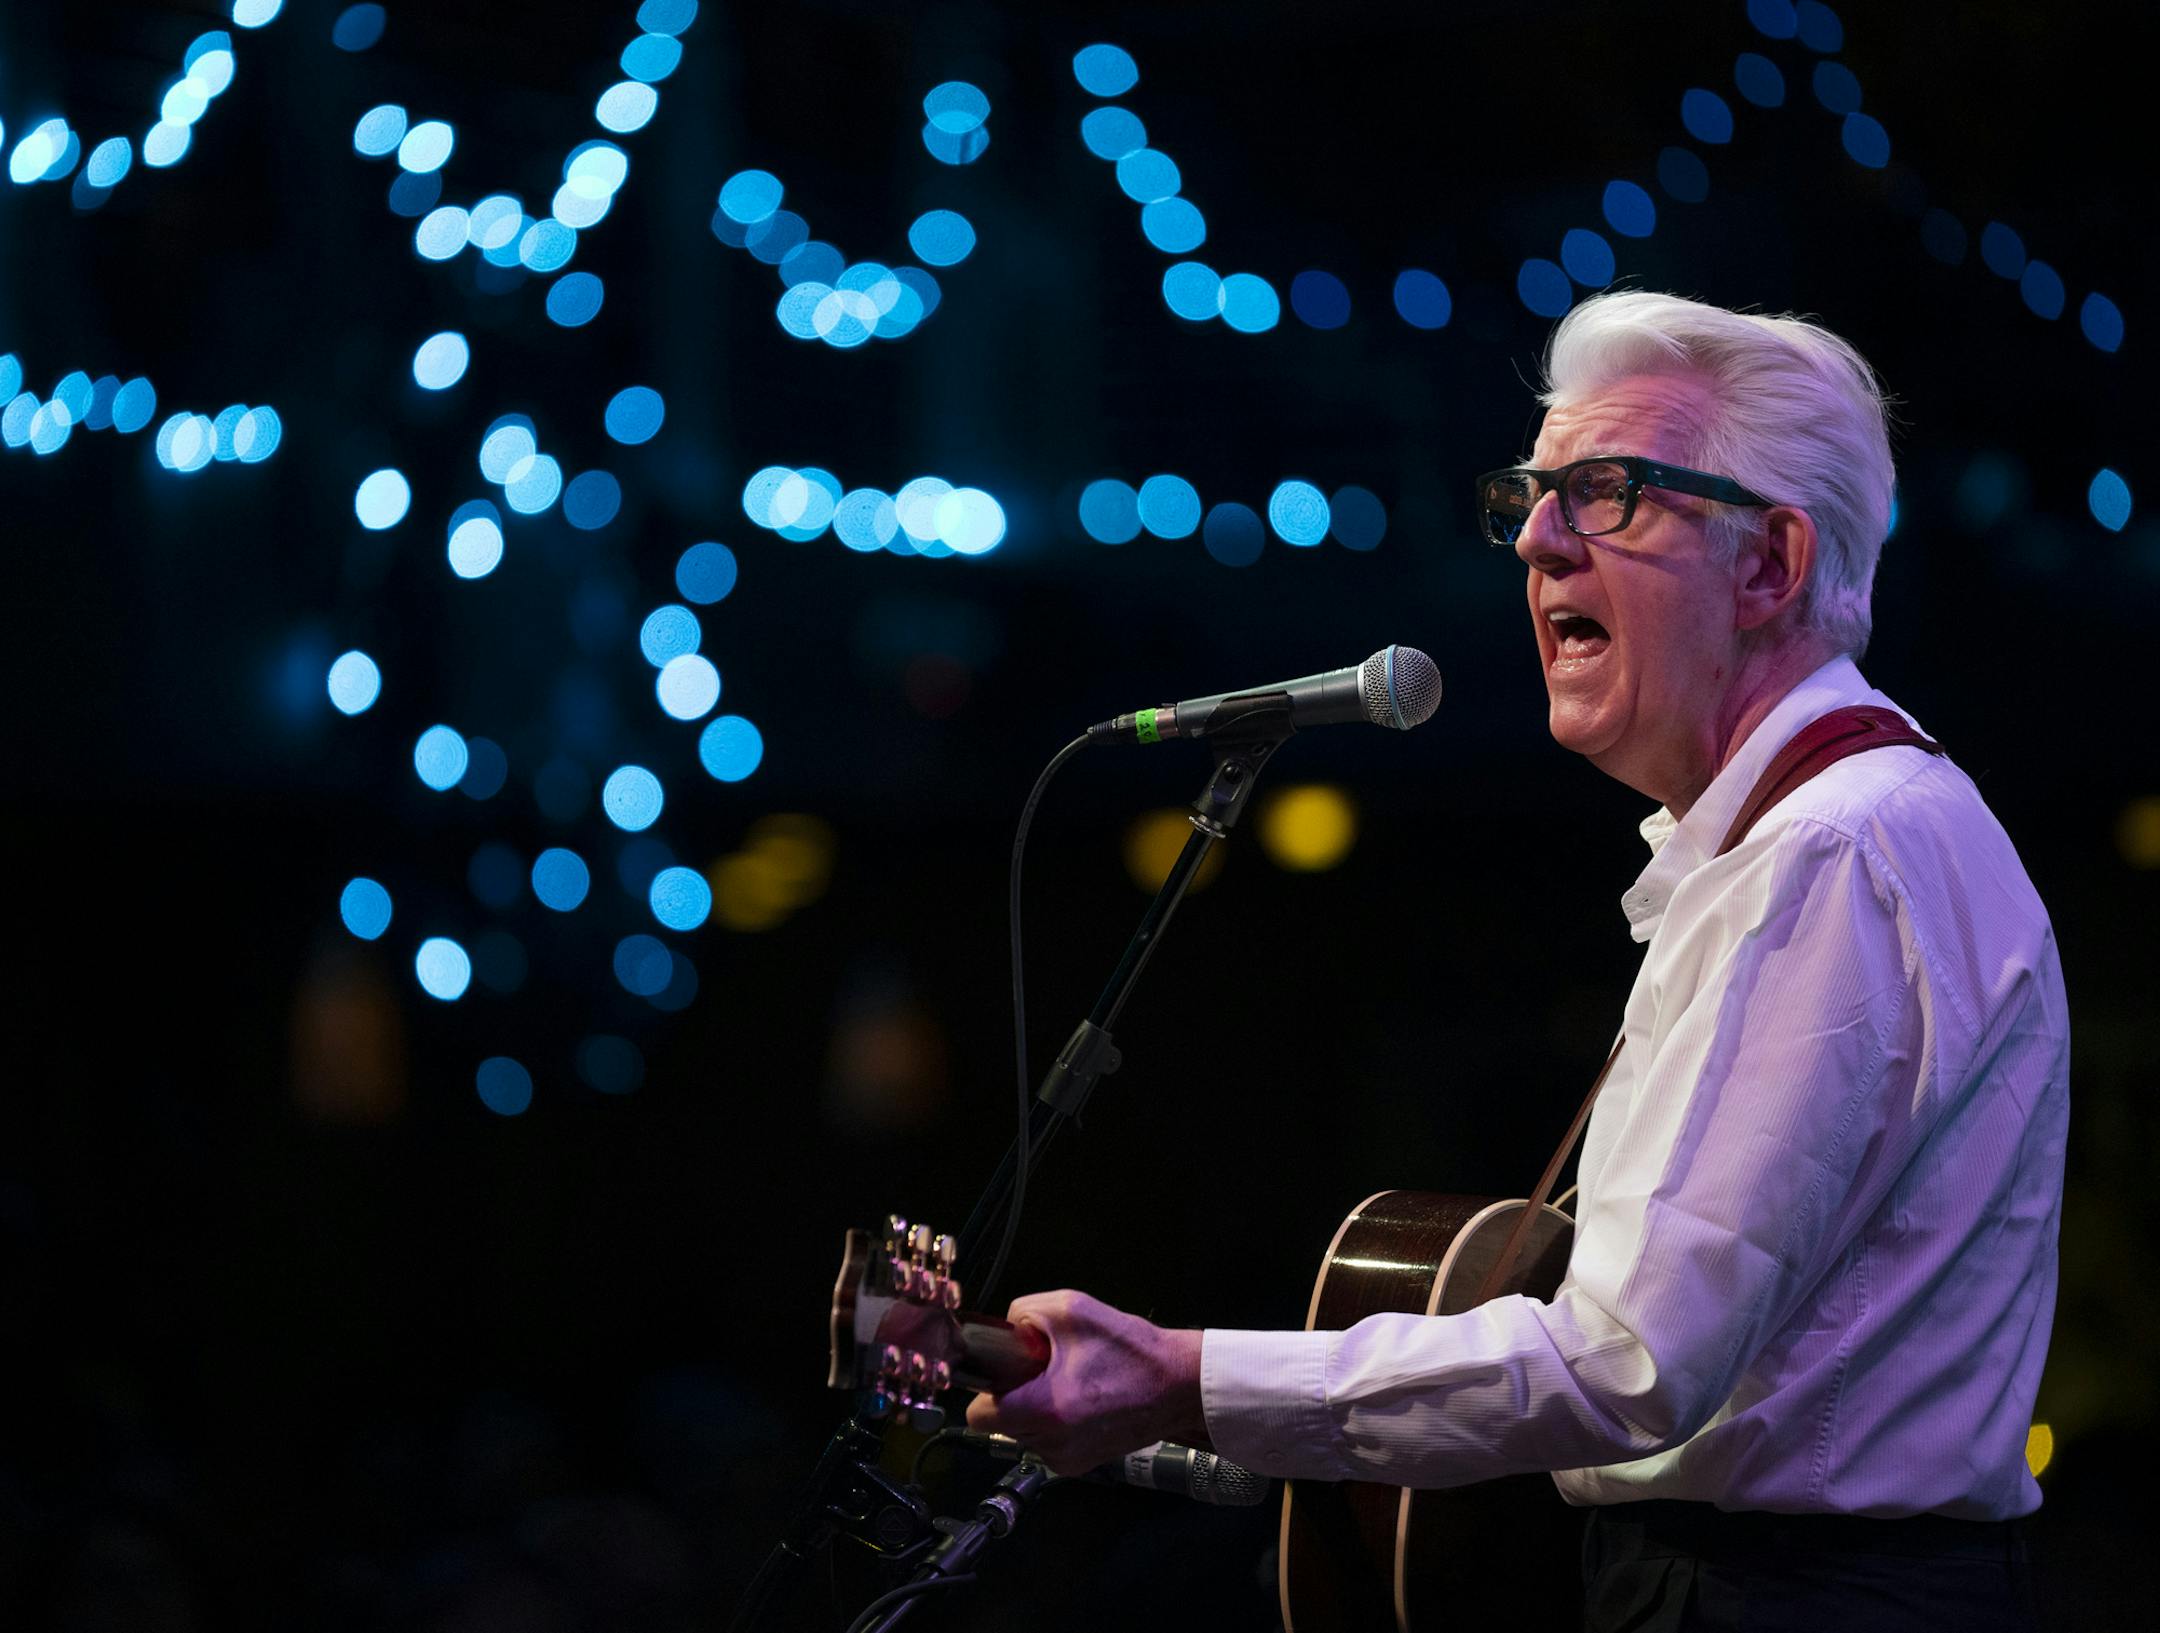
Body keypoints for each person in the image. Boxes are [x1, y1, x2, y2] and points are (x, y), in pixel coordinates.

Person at [964, 291, 2069, 1630]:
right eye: (1534, 498)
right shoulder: (1830, 833)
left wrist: (1185, 1374)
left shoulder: (1828, 851)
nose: (1538, 541)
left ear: (1771, 566)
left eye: (1605, 494)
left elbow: (1629, 1361)